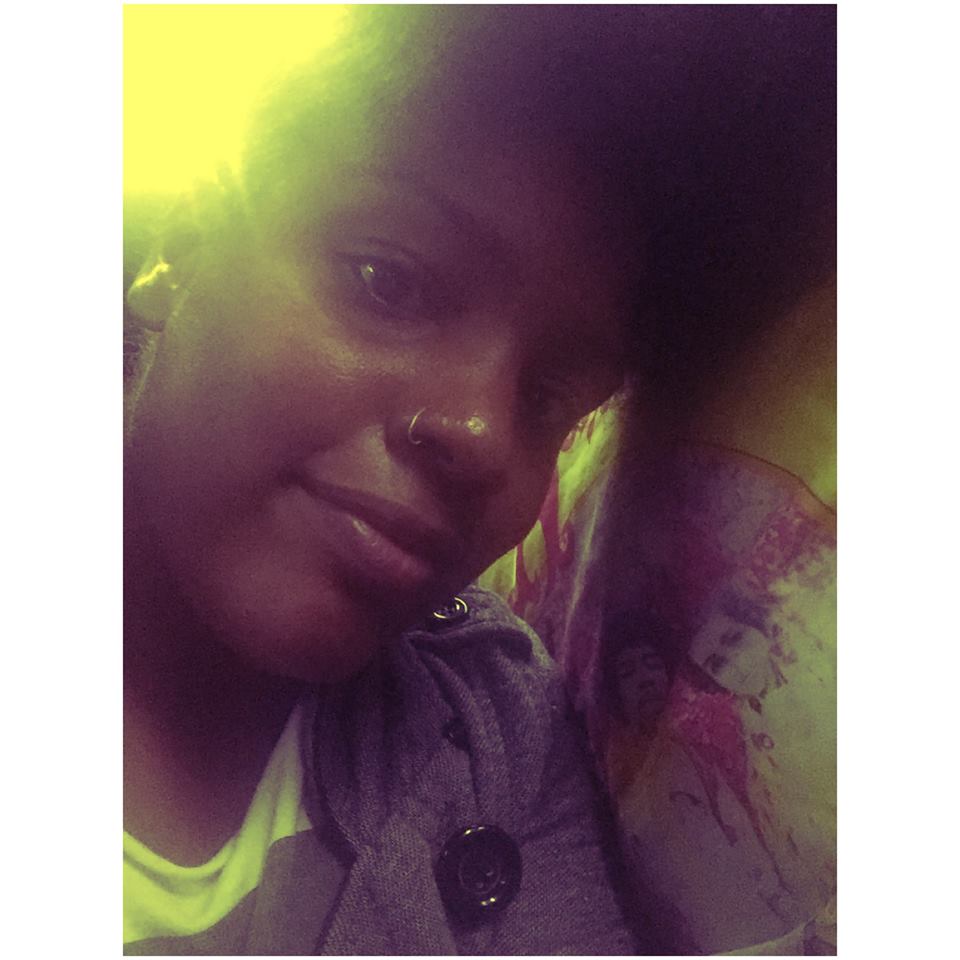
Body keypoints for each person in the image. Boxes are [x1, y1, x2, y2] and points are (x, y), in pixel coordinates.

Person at [123, 6, 835, 955]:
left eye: (547, 399)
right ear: (184, 241)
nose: (484, 435)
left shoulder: (500, 732)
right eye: (387, 281)